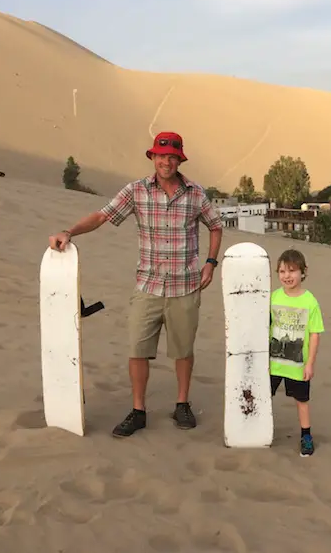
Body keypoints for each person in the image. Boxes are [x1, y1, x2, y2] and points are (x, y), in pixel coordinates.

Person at [47, 131, 223, 438]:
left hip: (185, 286)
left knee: (183, 350)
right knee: (137, 350)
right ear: (152, 158)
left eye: (171, 157)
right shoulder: (136, 191)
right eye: (160, 156)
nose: (165, 162)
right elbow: (103, 216)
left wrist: (210, 263)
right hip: (147, 285)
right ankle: (138, 410)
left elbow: (216, 226)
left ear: (179, 159)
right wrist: (69, 231)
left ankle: (182, 403)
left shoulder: (195, 193)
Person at [269, 249, 324, 456]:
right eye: (282, 271)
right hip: (273, 362)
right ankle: (261, 429)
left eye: (292, 271)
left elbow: (315, 333)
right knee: (264, 396)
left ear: (303, 272)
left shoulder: (310, 301)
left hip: (298, 364)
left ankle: (306, 435)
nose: (287, 276)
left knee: (301, 400)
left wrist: (310, 363)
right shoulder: (273, 297)